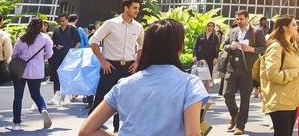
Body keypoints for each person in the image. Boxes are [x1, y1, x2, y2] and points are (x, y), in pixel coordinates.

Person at [79, 19, 209, 136]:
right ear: (179, 48)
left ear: (146, 47)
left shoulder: (124, 84)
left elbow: (86, 131)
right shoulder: (190, 84)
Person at [89, 0, 145, 134]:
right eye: (134, 8)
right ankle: (89, 129)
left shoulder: (138, 27)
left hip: (128, 68)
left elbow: (141, 46)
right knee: (100, 100)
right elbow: (93, 41)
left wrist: (137, 62)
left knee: (125, 102)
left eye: (138, 8)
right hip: (110, 68)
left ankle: (117, 130)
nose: (137, 10)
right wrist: (103, 61)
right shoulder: (110, 24)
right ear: (126, 8)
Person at [258, 16, 299, 136]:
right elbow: (272, 74)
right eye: (293, 24)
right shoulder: (276, 46)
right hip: (280, 99)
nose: (297, 26)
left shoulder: (292, 46)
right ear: (284, 27)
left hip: (291, 98)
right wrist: (297, 73)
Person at [222, 9, 263, 135]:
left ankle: (240, 125)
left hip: (248, 70)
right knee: (227, 94)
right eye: (237, 19)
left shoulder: (257, 32)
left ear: (247, 18)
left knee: (245, 99)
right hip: (232, 67)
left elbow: (264, 48)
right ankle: (235, 115)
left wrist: (251, 49)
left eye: (241, 19)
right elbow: (225, 46)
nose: (239, 21)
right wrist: (231, 46)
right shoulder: (233, 31)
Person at [10, 17, 54, 130]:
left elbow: (14, 54)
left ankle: (16, 123)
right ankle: (43, 109)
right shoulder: (45, 38)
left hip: (20, 71)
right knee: (36, 94)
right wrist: (40, 58)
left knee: (18, 97)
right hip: (36, 71)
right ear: (41, 26)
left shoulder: (21, 38)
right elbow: (49, 54)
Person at [49, 14, 81, 106]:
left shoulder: (72, 29)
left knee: (68, 75)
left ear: (67, 20)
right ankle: (56, 96)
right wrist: (56, 46)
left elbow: (78, 42)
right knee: (57, 76)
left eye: (63, 21)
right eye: (60, 21)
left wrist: (73, 51)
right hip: (58, 56)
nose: (62, 23)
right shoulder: (57, 31)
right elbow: (53, 43)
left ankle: (68, 96)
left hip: (69, 56)